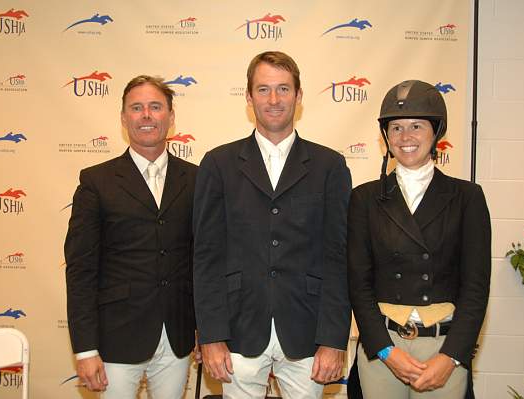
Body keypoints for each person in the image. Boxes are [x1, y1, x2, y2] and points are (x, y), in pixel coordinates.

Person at [192, 51, 352, 399]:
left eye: (283, 89)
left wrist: (333, 339)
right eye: (263, 90)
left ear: (299, 95)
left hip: (307, 332)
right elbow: (206, 257)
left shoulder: (330, 166)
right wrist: (211, 335)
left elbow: (338, 258)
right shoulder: (218, 164)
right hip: (238, 330)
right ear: (249, 98)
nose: (274, 99)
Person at [347, 80, 491, 398]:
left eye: (416, 126)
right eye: (396, 128)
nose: (406, 137)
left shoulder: (467, 197)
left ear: (435, 131)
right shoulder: (364, 198)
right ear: (386, 135)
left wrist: (452, 355)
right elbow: (358, 284)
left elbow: (475, 288)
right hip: (383, 349)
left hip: (444, 348)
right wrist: (386, 351)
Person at [64, 75, 197, 398]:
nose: (147, 115)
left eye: (155, 107)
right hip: (116, 338)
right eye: (136, 108)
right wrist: (84, 350)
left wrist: (208, 332)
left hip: (177, 338)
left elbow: (202, 260)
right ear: (124, 118)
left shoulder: (196, 178)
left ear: (171, 116)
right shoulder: (97, 181)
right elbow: (80, 270)